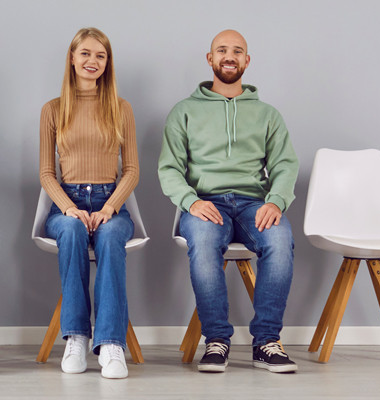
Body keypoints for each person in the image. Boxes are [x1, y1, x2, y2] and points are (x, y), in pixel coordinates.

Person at [158, 29, 300, 373]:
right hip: (205, 202)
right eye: (222, 50)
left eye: (237, 51)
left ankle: (266, 342)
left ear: (247, 61)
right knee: (204, 243)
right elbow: (169, 167)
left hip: (254, 204)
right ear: (210, 59)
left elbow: (285, 164)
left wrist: (276, 201)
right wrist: (190, 201)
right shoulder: (184, 111)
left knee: (281, 239)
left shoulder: (267, 114)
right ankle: (217, 340)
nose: (229, 56)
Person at [38, 28, 138, 379]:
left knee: (110, 237)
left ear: (107, 63)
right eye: (85, 53)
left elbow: (132, 171)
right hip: (67, 204)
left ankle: (110, 344)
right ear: (72, 58)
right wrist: (69, 207)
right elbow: (47, 173)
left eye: (100, 55)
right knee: (71, 231)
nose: (92, 61)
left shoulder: (121, 108)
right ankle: (77, 337)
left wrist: (110, 207)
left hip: (111, 203)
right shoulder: (52, 110)